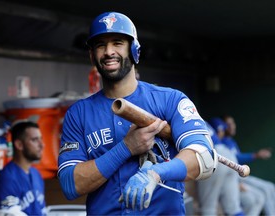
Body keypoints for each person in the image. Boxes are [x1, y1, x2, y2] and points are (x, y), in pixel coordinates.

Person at [57, 11, 217, 215]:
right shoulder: (78, 114)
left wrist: (155, 173)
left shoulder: (170, 99)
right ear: (92, 55)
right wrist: (126, 148)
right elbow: (71, 185)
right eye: (100, 45)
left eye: (117, 43)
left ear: (134, 50)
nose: (108, 51)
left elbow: (203, 158)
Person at [0, 121, 46, 216]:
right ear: (19, 145)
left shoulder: (36, 174)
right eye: (35, 140)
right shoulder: (6, 180)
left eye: (41, 139)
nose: (41, 145)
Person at [222, 115, 274, 216]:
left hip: (240, 176)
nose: (232, 126)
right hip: (232, 178)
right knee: (258, 197)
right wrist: (256, 155)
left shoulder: (231, 142)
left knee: (270, 188)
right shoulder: (222, 143)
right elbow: (235, 159)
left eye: (233, 123)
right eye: (228, 124)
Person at [197, 118, 244, 216]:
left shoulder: (181, 117)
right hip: (228, 156)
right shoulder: (201, 120)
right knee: (234, 208)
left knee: (208, 208)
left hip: (213, 155)